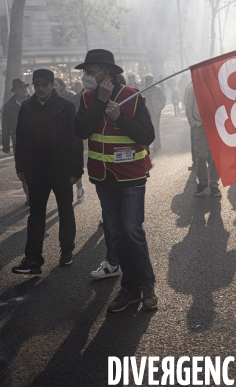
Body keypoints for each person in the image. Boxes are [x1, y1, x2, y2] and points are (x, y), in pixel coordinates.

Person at [74, 49, 157, 311]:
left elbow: (147, 135)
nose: (86, 76)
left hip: (131, 175)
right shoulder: (88, 98)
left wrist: (119, 117)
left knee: (132, 231)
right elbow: (80, 130)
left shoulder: (131, 97)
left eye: (90, 71)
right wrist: (100, 103)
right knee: (116, 234)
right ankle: (130, 290)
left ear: (105, 73)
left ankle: (147, 286)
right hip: (103, 176)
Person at [12, 69, 83, 275]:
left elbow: (75, 139)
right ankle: (33, 258)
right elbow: (21, 139)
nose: (40, 88)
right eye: (37, 85)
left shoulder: (66, 106)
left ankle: (67, 249)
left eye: (44, 84)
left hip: (61, 169)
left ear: (53, 85)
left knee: (65, 210)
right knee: (35, 215)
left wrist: (76, 169)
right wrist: (21, 168)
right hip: (36, 170)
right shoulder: (27, 107)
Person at [185, 82, 221, 197]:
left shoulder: (216, 84)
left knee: (215, 157)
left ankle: (214, 184)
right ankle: (203, 182)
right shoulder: (192, 87)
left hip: (214, 126)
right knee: (200, 156)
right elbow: (189, 105)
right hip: (199, 126)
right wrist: (193, 123)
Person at [2, 78, 30, 204]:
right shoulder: (9, 106)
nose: (24, 90)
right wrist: (5, 144)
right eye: (21, 88)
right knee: (22, 169)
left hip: (36, 141)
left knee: (37, 169)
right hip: (18, 142)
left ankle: (36, 194)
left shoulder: (34, 100)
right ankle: (29, 196)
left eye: (25, 87)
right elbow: (5, 125)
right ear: (15, 91)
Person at [144, 73, 166, 151]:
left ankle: (156, 144)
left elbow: (163, 99)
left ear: (153, 80)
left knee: (156, 127)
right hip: (147, 112)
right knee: (148, 128)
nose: (148, 81)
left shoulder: (158, 89)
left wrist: (160, 107)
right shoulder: (143, 90)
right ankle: (155, 142)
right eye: (147, 79)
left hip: (156, 111)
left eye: (150, 79)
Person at [184, 81, 197, 171]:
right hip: (196, 122)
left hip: (208, 121)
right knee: (195, 142)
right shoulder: (190, 87)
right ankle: (195, 162)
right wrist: (192, 122)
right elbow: (187, 104)